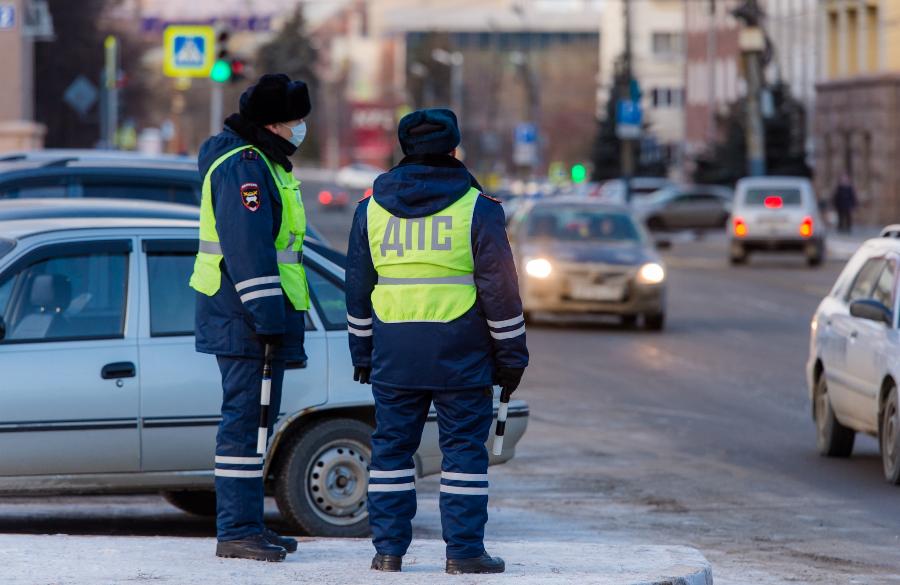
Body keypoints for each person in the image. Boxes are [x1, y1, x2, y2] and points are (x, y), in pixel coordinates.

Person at [345, 108, 529, 574]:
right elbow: (500, 292)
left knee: (390, 453)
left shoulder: (371, 211)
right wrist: (511, 358)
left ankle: (388, 553)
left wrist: (362, 351)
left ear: (404, 149)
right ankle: (464, 553)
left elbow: (358, 289)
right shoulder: (479, 210)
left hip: (395, 355)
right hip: (460, 355)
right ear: (453, 150)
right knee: (464, 454)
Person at [189, 73, 311, 562]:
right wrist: (268, 317)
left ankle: (249, 525)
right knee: (244, 425)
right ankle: (236, 530)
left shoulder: (262, 161)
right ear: (274, 122)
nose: (302, 128)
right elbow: (248, 250)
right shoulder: (244, 166)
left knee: (258, 423)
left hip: (252, 317)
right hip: (246, 319)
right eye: (297, 120)